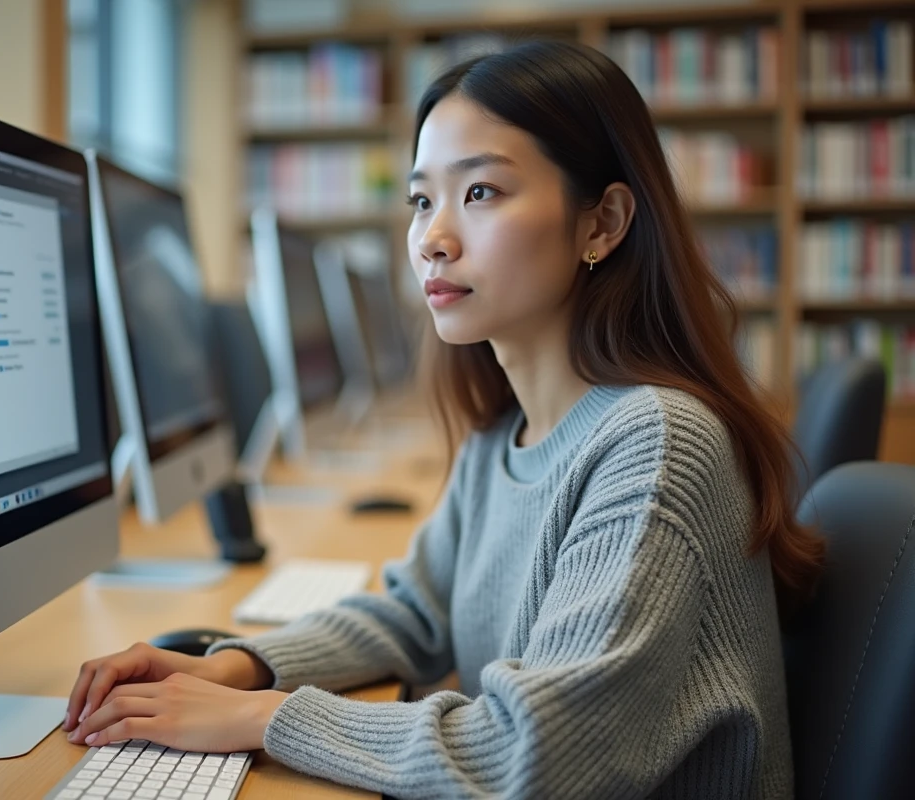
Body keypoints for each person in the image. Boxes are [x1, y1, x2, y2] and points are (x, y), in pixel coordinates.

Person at [62, 39, 824, 799]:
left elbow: (540, 755)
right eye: (422, 200)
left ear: (603, 223)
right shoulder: (507, 437)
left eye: (481, 193)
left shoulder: (657, 444)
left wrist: (261, 716)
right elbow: (418, 611)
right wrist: (229, 668)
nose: (433, 238)